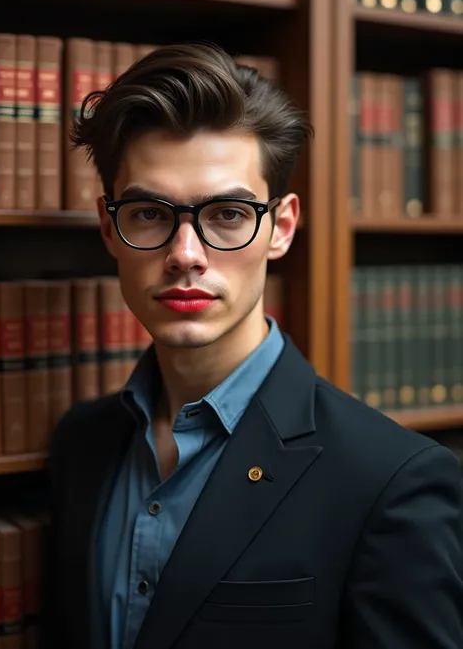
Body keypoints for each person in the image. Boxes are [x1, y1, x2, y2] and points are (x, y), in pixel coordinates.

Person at [44, 42, 463, 649]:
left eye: (229, 214)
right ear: (110, 228)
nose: (185, 254)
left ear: (281, 228)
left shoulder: (390, 481)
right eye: (148, 214)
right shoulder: (80, 444)